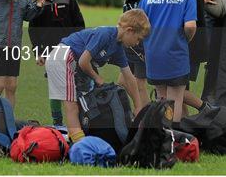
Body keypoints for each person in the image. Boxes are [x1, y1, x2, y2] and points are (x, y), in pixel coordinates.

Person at [44, 9, 148, 143]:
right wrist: (96, 77)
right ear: (129, 30)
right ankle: (80, 146)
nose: (137, 43)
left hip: (71, 61)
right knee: (72, 106)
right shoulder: (105, 34)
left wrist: (138, 106)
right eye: (138, 39)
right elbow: (83, 61)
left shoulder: (118, 48)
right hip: (63, 56)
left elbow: (128, 76)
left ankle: (81, 138)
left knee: (81, 104)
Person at [140, 0, 197, 125]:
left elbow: (142, 26)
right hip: (176, 54)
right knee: (175, 99)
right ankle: (174, 138)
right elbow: (190, 26)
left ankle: (161, 137)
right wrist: (185, 39)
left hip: (153, 55)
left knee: (161, 97)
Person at [28, 0, 85, 126]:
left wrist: (81, 48)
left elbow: (79, 24)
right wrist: (38, 52)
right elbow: (33, 30)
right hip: (50, 53)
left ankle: (81, 118)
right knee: (55, 88)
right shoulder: (37, 3)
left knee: (75, 85)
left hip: (71, 50)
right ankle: (57, 122)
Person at [171, 0, 213, 115]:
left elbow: (186, 18)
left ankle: (206, 109)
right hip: (190, 47)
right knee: (177, 89)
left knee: (176, 89)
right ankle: (186, 126)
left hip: (188, 47)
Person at [117, 0, 152, 108]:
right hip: (128, 44)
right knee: (123, 82)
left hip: (141, 45)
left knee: (139, 84)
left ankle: (146, 116)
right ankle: (140, 109)